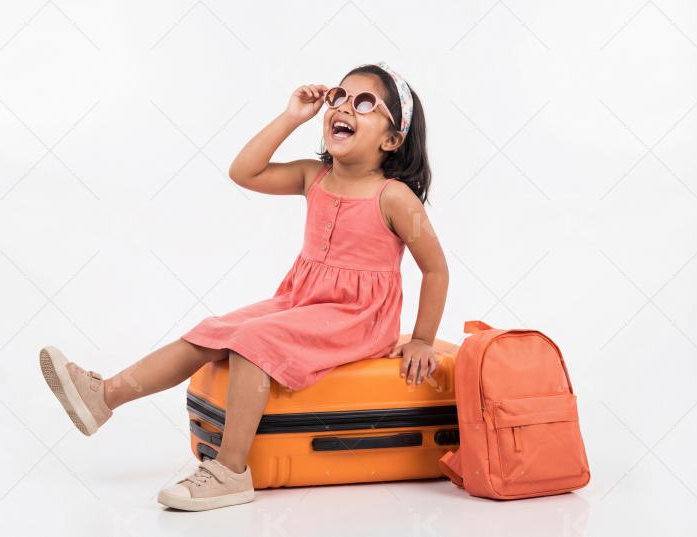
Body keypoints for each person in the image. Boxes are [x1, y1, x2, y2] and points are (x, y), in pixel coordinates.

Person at [38, 61, 448, 512]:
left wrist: (423, 339)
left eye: (365, 103)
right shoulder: (315, 177)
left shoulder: (393, 196)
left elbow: (435, 269)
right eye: (339, 96)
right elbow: (245, 171)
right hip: (302, 300)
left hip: (356, 318)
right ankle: (104, 396)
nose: (344, 107)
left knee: (254, 341)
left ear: (392, 139)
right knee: (214, 329)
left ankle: (230, 470)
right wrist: (292, 116)